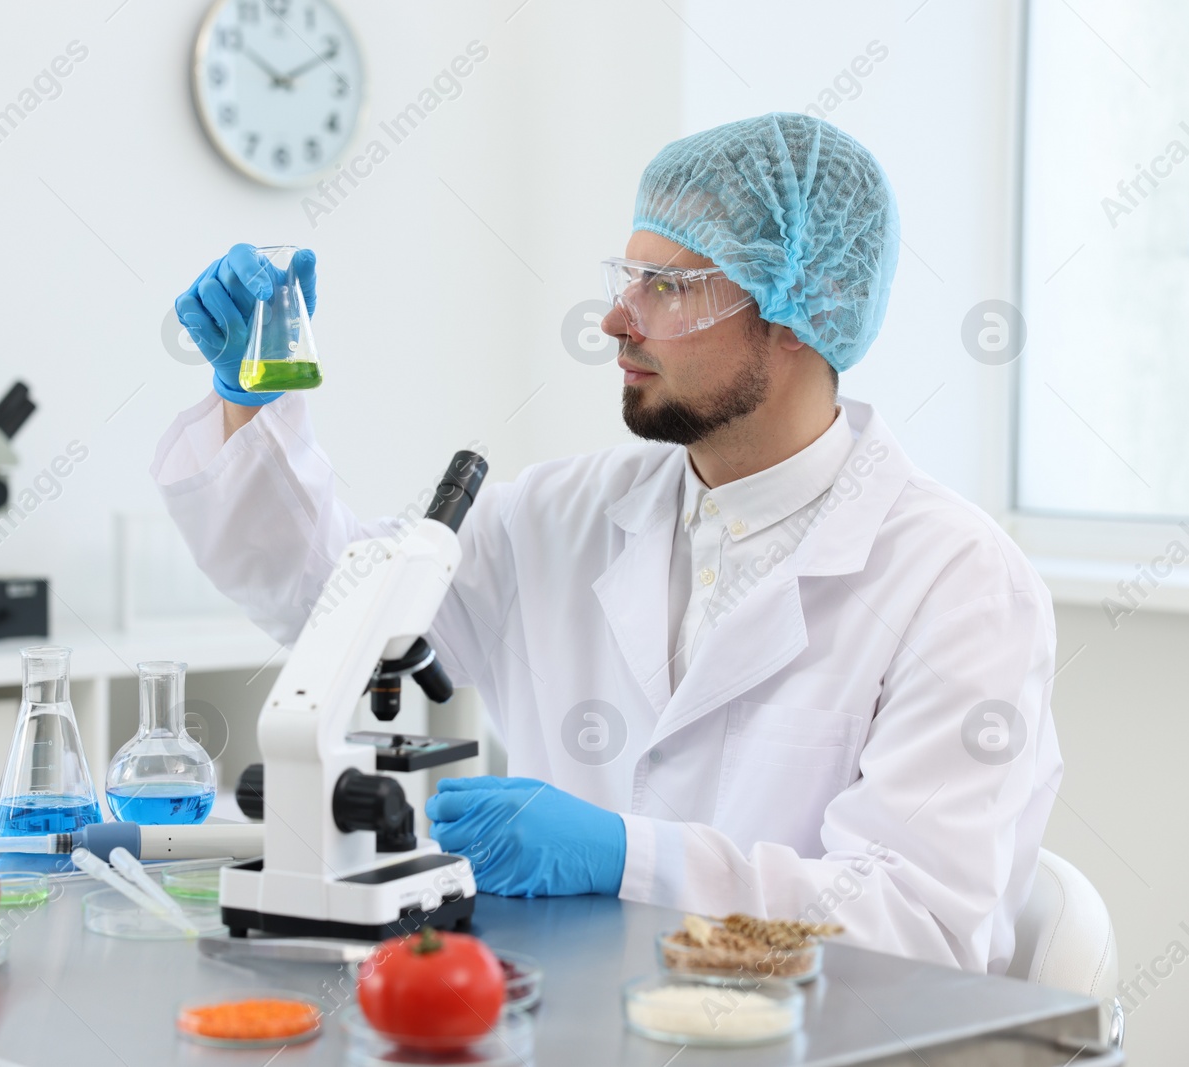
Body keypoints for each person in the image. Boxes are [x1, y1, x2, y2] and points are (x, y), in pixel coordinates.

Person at [153, 113, 1060, 974]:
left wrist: (629, 858)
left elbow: (917, 929)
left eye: (667, 288)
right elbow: (335, 614)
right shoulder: (559, 512)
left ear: (793, 313)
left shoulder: (958, 582)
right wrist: (252, 404)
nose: (616, 320)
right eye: (627, 278)